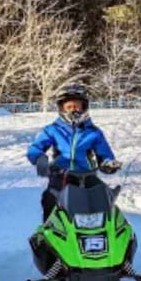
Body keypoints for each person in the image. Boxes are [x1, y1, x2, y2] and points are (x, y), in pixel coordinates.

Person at [26, 84, 121, 221]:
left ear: (84, 107)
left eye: (77, 106)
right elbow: (35, 148)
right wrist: (40, 158)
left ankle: (103, 233)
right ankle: (49, 231)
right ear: (61, 108)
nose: (73, 110)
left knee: (103, 200)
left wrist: (108, 164)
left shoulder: (93, 132)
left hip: (87, 174)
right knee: (50, 198)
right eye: (69, 107)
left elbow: (105, 154)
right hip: (61, 174)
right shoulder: (52, 130)